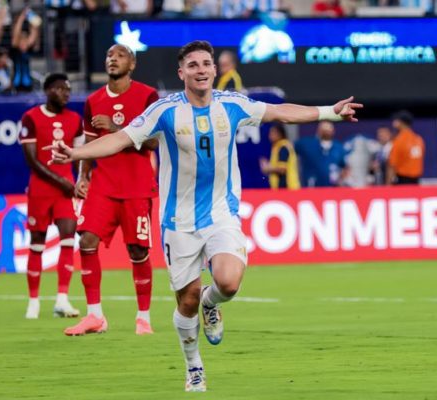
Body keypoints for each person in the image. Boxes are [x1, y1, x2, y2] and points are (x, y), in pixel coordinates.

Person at [47, 40, 361, 392]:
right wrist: (75, 153)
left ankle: (213, 305)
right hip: (178, 223)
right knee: (187, 301)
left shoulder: (232, 104)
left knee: (227, 282)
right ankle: (194, 364)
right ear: (182, 73)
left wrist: (329, 112)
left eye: (206, 64)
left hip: (220, 215)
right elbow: (119, 139)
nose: (201, 70)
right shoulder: (164, 111)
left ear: (214, 70)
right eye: (193, 65)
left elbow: (279, 111)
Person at [63, 44, 159, 337]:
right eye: (108, 55)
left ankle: (143, 318)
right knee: (86, 241)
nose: (112, 59)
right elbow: (89, 147)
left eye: (119, 55)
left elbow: (155, 141)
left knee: (138, 250)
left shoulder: (147, 96)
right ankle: (95, 316)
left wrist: (117, 129)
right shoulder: (94, 100)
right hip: (103, 185)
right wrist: (83, 177)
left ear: (132, 64)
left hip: (136, 185)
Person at [19, 73, 82, 319]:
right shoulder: (31, 117)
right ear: (47, 90)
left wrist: (77, 182)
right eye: (60, 89)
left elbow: (78, 156)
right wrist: (61, 182)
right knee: (37, 243)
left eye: (68, 89)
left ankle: (62, 299)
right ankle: (33, 302)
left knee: (68, 238)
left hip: (65, 191)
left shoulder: (75, 120)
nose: (65, 93)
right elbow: (32, 160)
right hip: (41, 190)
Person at [295, 121, 349, 187]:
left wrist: (340, 179)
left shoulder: (338, 147)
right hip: (311, 187)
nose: (327, 132)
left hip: (332, 188)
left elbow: (345, 167)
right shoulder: (306, 143)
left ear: (333, 131)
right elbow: (290, 150)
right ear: (318, 130)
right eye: (324, 130)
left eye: (328, 130)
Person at [387, 110, 424, 185]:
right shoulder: (418, 139)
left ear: (402, 122)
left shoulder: (398, 140)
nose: (394, 123)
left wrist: (388, 184)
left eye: (396, 120)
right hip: (416, 180)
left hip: (403, 180)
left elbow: (392, 165)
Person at [259, 124, 300, 190]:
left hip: (287, 189)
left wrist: (267, 169)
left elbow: (282, 169)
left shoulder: (283, 147)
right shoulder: (277, 147)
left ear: (280, 134)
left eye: (273, 133)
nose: (270, 135)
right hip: (281, 189)